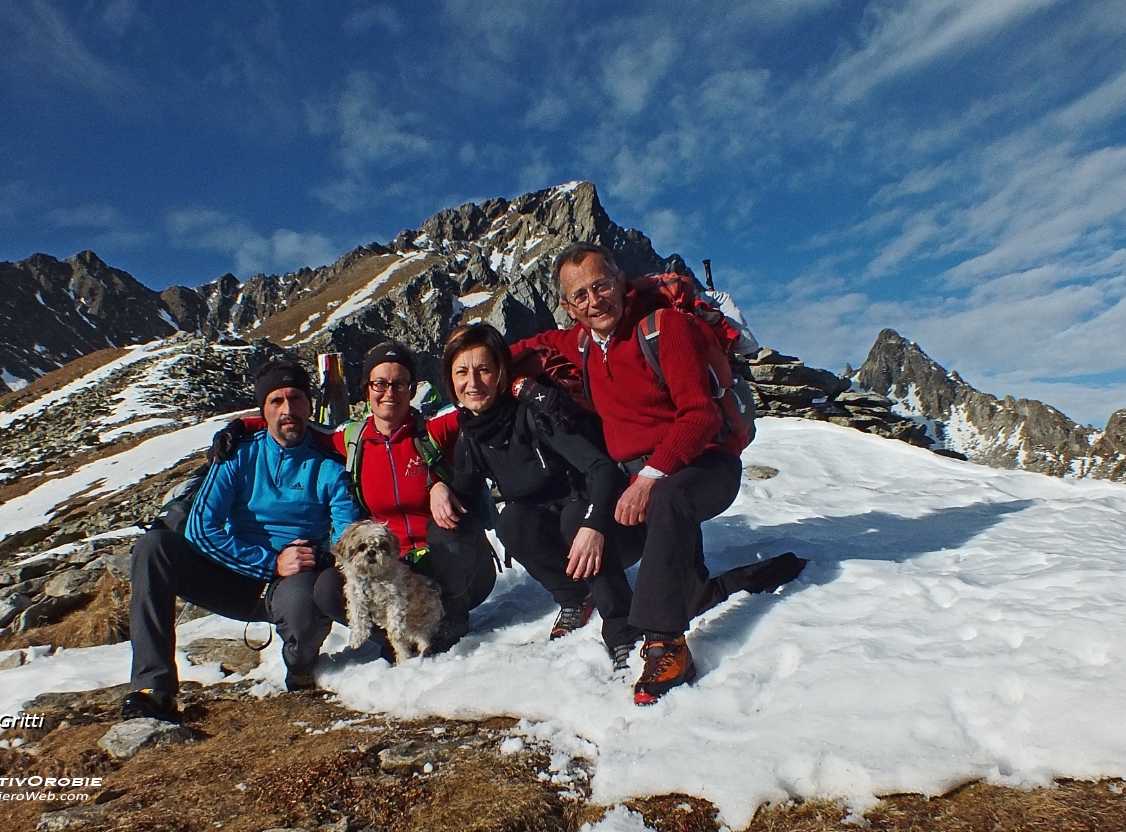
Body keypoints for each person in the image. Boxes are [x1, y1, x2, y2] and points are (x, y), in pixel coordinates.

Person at [513, 242, 806, 705]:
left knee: (668, 498)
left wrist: (650, 476)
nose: (594, 301)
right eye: (581, 295)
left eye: (601, 285)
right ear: (569, 308)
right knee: (580, 522)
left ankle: (667, 644)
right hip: (643, 481)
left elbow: (700, 416)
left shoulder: (663, 327)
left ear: (621, 281)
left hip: (704, 465)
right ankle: (627, 622)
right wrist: (510, 378)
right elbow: (521, 350)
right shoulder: (584, 343)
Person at [211, 341, 497, 655]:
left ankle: (451, 620)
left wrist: (439, 483)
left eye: (400, 383)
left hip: (457, 570)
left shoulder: (434, 432)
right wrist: (239, 427)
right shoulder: (352, 442)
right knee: (328, 588)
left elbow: (481, 409)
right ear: (366, 390)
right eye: (380, 383)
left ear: (412, 389)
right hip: (392, 568)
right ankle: (391, 639)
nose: (390, 392)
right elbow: (294, 425)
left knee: (446, 528)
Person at [123, 360, 360, 722]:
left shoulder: (329, 465)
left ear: (310, 405)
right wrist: (269, 562)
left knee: (303, 605)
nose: (288, 410)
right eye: (276, 401)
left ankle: (300, 669)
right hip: (231, 575)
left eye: (296, 398)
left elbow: (347, 534)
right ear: (263, 411)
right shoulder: (238, 454)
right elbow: (202, 528)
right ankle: (152, 688)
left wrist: (326, 560)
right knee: (153, 548)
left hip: (292, 580)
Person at [444, 323, 643, 669]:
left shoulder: (536, 413)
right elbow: (462, 497)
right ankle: (574, 597)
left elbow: (603, 469)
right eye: (461, 371)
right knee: (512, 522)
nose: (472, 383)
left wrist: (595, 525)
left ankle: (623, 630)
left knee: (572, 517)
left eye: (484, 370)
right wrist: (437, 489)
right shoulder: (472, 437)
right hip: (565, 541)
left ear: (501, 373)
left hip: (611, 529)